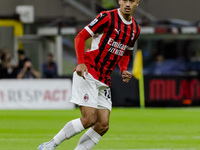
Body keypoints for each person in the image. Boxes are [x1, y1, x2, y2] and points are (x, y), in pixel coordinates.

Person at [38, 0, 140, 149]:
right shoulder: (106, 17)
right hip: (89, 70)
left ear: (137, 2)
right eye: (124, 0)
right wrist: (81, 62)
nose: (127, 4)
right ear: (119, 1)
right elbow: (80, 37)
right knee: (89, 119)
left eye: (132, 0)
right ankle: (49, 145)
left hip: (104, 78)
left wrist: (123, 68)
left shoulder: (135, 29)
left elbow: (126, 51)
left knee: (103, 125)